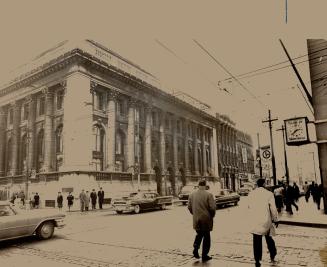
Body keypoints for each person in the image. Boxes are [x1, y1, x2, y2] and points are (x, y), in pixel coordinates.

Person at [248, 178, 278, 267]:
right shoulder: (269, 194)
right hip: (265, 219)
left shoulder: (251, 193)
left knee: (256, 241)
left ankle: (257, 260)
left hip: (254, 220)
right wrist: (275, 219)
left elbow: (249, 206)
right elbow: (273, 208)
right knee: (269, 238)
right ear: (264, 184)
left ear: (257, 184)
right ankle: (273, 253)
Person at [188, 179, 216, 262]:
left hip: (196, 218)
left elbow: (189, 207)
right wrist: (211, 216)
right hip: (206, 219)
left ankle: (195, 248)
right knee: (206, 237)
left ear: (198, 185)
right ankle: (205, 255)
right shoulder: (209, 194)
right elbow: (212, 208)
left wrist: (195, 214)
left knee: (199, 234)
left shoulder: (192, 194)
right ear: (205, 185)